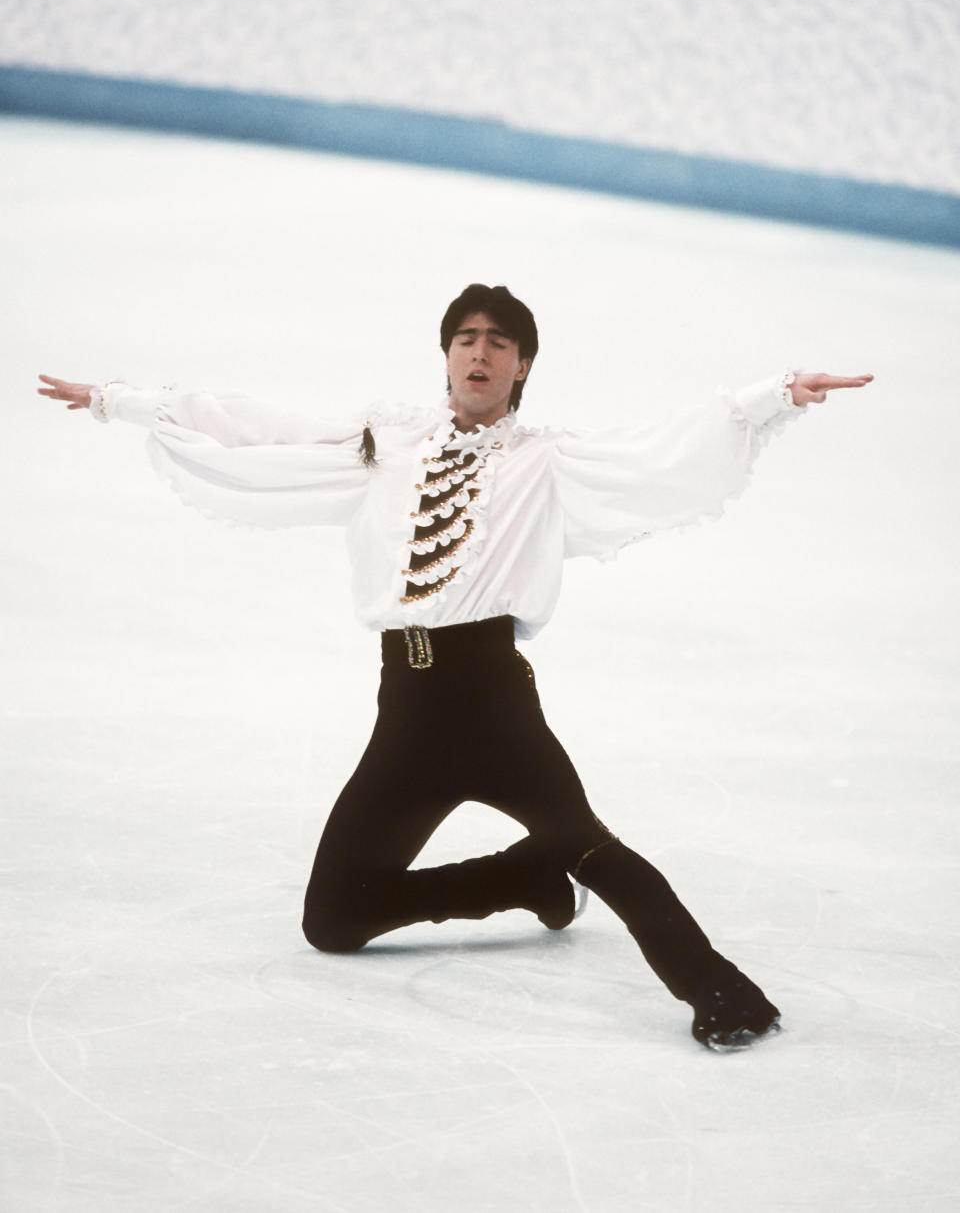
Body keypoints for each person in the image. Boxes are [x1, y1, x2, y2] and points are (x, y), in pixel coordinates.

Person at [38, 282, 873, 1050]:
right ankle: (529, 875)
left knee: (594, 848)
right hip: (404, 710)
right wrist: (123, 403)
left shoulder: (543, 458)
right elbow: (266, 426)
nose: (480, 353)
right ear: (446, 355)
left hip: (492, 702)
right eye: (466, 338)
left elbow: (661, 449)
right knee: (332, 919)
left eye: (500, 342)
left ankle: (720, 992)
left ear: (524, 366)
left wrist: (774, 397)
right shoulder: (386, 441)